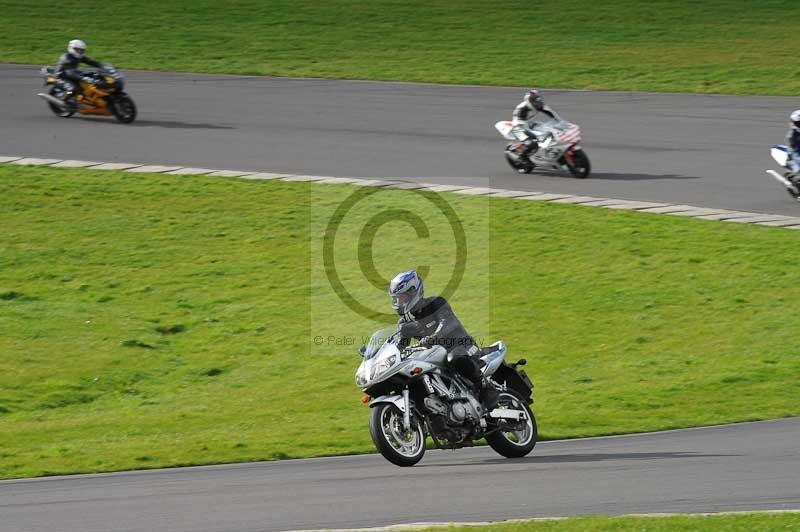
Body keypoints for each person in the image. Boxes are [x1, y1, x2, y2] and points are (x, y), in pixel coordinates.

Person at [388, 269, 499, 410]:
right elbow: (400, 346)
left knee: (454, 358)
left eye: (402, 298)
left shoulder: (436, 303)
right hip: (437, 358)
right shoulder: (404, 324)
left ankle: (486, 387)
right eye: (396, 299)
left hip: (463, 346)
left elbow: (448, 322)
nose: (399, 302)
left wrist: (434, 337)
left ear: (413, 293)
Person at [510, 89, 561, 166]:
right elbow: (521, 125)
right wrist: (536, 135)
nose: (537, 102)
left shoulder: (538, 104)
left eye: (538, 99)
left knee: (552, 132)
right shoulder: (522, 109)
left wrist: (560, 122)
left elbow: (551, 113)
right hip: (519, 127)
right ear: (528, 100)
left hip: (530, 123)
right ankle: (522, 157)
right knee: (532, 143)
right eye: (534, 100)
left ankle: (551, 155)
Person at [786, 110, 800, 177]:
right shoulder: (792, 135)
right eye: (799, 123)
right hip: (795, 153)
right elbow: (795, 150)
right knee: (798, 170)